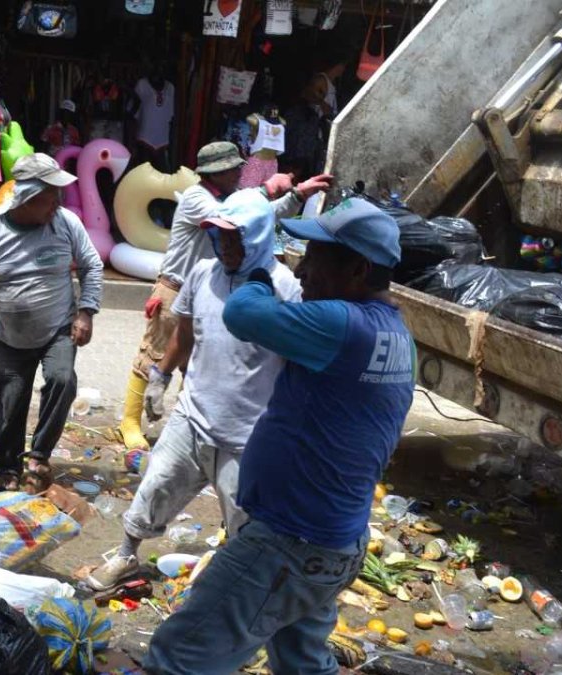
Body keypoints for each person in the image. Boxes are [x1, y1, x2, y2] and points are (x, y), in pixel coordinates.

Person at [143, 198, 415, 675]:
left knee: (178, 654)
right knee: (301, 661)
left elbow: (244, 316)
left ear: (357, 269)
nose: (304, 270)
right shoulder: (393, 331)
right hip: (334, 543)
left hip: (290, 542)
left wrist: (260, 272)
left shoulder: (340, 323)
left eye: (316, 258)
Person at [87, 189, 303, 592]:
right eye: (219, 237)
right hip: (193, 416)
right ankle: (125, 556)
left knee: (245, 520)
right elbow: (184, 333)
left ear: (257, 236)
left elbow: (294, 362)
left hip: (248, 434)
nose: (225, 246)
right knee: (155, 486)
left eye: (234, 237)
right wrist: (161, 376)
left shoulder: (283, 287)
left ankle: (240, 590)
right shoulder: (203, 273)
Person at [117, 141, 331, 450]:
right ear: (216, 172)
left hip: (208, 288)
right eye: (233, 169)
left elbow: (259, 216)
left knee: (195, 363)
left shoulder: (230, 199)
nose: (239, 174)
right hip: (175, 286)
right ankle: (130, 422)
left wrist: (298, 195)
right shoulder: (196, 197)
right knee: (153, 354)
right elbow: (233, 220)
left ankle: (188, 426)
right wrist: (267, 189)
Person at [0, 153, 103, 493]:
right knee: (11, 404)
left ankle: (39, 457)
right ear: (28, 197)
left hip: (58, 328)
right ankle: (9, 468)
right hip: (10, 338)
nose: (57, 204)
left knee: (62, 380)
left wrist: (86, 310)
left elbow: (91, 265)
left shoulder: (66, 223)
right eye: (50, 197)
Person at [282, 73, 332, 179]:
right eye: (319, 91)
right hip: (292, 163)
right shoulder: (296, 111)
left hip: (304, 166)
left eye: (323, 93)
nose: (321, 96)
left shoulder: (313, 114)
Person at [130, 63, 175, 171]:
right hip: (144, 138)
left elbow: (171, 116)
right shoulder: (142, 85)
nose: (158, 70)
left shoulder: (170, 88)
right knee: (144, 173)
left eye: (161, 67)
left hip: (163, 140)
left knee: (162, 174)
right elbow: (132, 112)